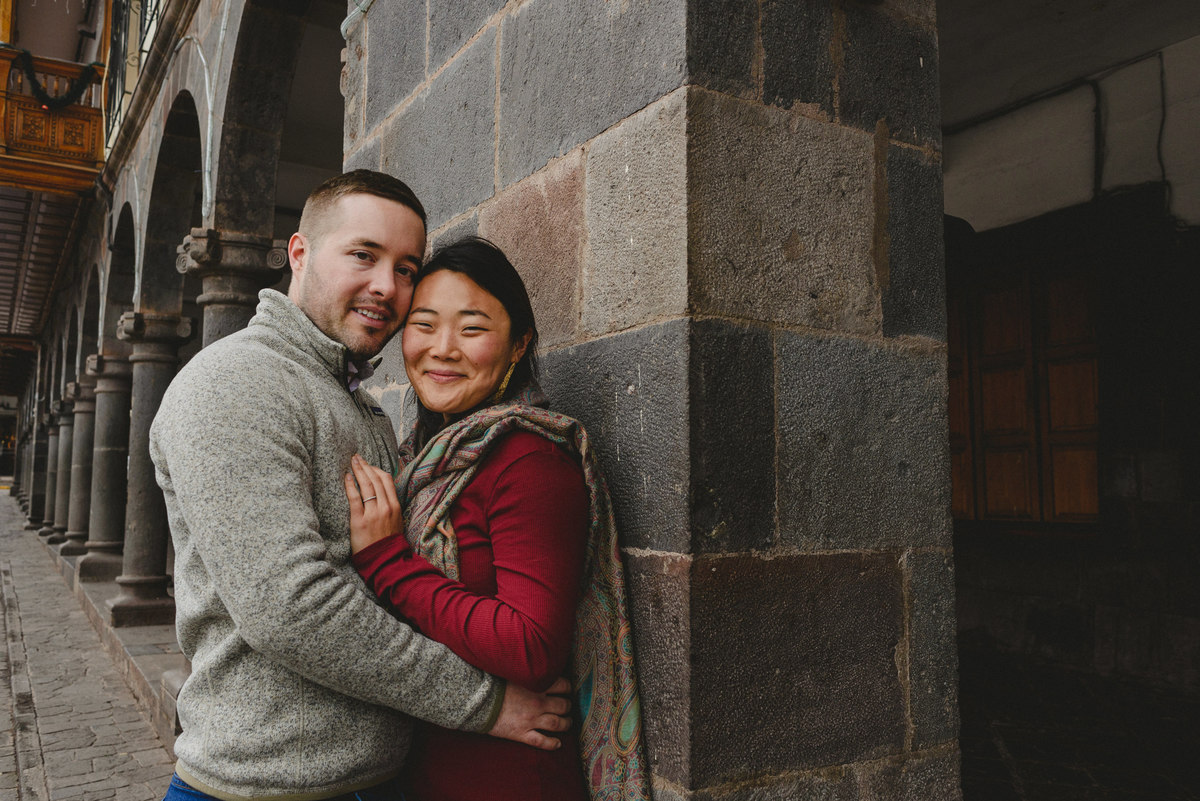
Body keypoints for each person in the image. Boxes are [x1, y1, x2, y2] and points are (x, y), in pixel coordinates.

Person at [149, 172, 570, 801]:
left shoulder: (362, 408)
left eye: (405, 268)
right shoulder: (235, 384)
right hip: (264, 786)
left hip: (373, 778)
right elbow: (292, 609)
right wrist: (484, 703)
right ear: (300, 252)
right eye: (364, 256)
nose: (386, 287)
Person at [343, 237, 651, 801]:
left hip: (505, 780)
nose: (442, 349)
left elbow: (531, 647)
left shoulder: (527, 461)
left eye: (472, 328)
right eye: (425, 324)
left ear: (518, 346)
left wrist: (387, 561)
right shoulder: (424, 460)